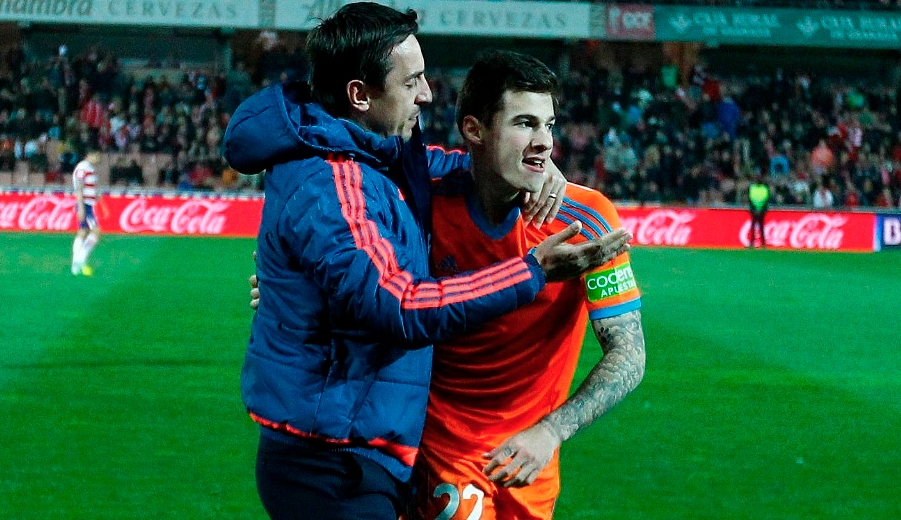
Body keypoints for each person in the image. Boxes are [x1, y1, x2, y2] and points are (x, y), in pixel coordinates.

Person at [223, 4, 632, 520]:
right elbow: (398, 305)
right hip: (337, 455)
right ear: (360, 95)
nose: (426, 94)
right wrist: (532, 272)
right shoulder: (334, 180)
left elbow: (462, 167)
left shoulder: (392, 161)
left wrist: (535, 159)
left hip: (389, 450)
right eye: (412, 80)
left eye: (547, 125)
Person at [413, 50, 646, 520]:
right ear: (474, 130)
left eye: (549, 125)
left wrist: (552, 432)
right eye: (524, 123)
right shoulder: (425, 197)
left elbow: (629, 352)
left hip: (532, 457)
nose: (544, 142)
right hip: (445, 447)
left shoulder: (587, 218)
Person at [70, 149, 102, 276]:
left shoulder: (91, 168)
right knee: (96, 231)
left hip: (89, 204)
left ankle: (75, 265)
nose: (98, 158)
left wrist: (96, 194)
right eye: (96, 155)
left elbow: (90, 186)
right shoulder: (83, 168)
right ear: (89, 155)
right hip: (85, 205)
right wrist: (81, 207)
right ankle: (81, 258)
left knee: (83, 232)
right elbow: (79, 188)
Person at [747, 173, 770, 248]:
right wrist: (755, 209)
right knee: (755, 226)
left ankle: (762, 243)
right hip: (756, 210)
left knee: (760, 227)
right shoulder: (753, 188)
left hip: (760, 210)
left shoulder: (763, 188)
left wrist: (759, 210)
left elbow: (766, 200)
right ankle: (753, 243)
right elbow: (750, 199)